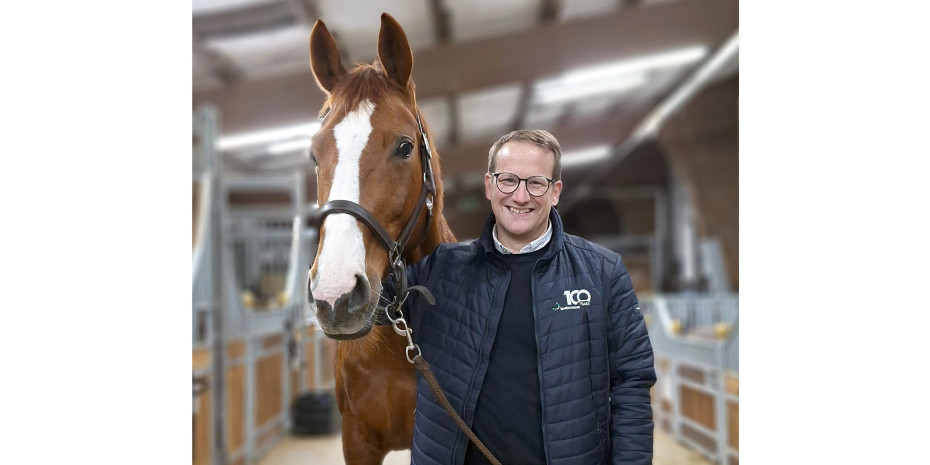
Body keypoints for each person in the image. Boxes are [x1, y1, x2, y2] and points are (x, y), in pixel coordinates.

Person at [385, 129, 656, 464]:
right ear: (489, 186)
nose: (521, 196)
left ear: (555, 192)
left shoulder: (603, 273)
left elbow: (632, 382)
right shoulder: (439, 271)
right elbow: (363, 301)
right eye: (508, 180)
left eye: (536, 183)